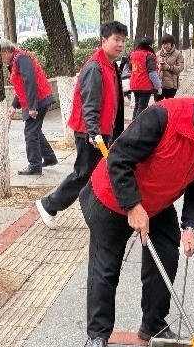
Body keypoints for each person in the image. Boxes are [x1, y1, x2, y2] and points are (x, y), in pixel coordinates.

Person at [79, 95, 194, 347]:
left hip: (157, 201)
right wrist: (133, 206)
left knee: (166, 255)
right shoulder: (162, 118)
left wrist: (191, 226)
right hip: (112, 197)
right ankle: (98, 335)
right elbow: (118, 159)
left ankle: (153, 325)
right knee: (106, 267)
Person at [35, 21, 128, 229]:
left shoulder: (110, 64)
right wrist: (94, 133)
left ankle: (97, 214)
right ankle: (48, 205)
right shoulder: (95, 67)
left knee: (95, 174)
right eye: (116, 40)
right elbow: (90, 103)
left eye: (123, 40)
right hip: (90, 133)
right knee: (84, 174)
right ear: (103, 40)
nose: (121, 44)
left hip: (102, 131)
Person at [1, 39, 58, 175]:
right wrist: (14, 106)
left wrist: (33, 107)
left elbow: (30, 82)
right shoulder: (16, 60)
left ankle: (35, 166)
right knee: (35, 130)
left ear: (6, 52)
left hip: (38, 100)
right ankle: (49, 158)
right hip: (37, 99)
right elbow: (21, 87)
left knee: (30, 133)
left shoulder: (21, 59)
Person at [129, 37, 162, 119]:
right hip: (144, 85)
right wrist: (158, 87)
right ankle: (137, 128)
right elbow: (152, 73)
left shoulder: (133, 54)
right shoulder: (148, 55)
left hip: (134, 84)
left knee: (137, 106)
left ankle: (133, 126)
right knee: (142, 107)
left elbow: (131, 68)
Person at [156, 34, 184, 101]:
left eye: (167, 44)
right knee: (157, 106)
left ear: (171, 44)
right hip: (159, 85)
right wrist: (158, 66)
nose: (165, 46)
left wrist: (169, 67)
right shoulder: (157, 54)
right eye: (163, 44)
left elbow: (180, 68)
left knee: (169, 106)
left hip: (171, 86)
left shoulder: (178, 54)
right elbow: (152, 67)